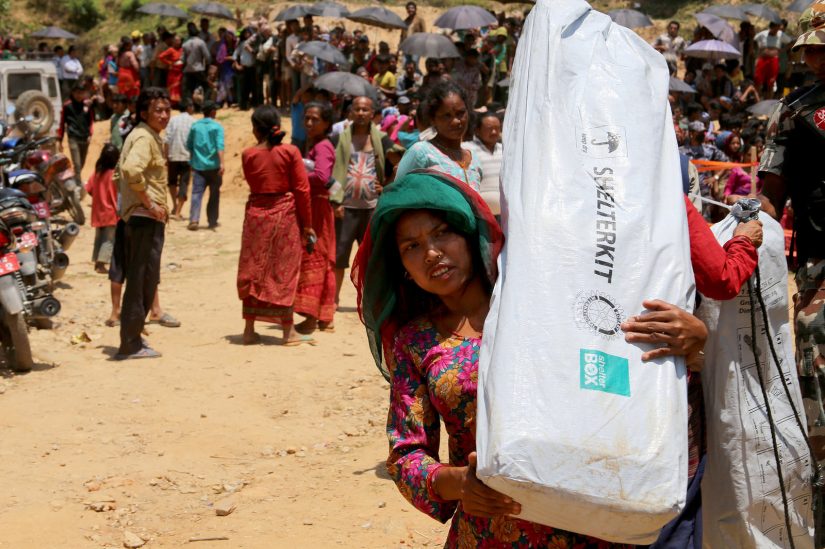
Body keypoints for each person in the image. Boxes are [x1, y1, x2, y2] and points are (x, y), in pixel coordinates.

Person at [351, 170, 708, 547]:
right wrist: (457, 484)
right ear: (403, 270)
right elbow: (406, 455)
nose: (432, 253)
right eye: (412, 246)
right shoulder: (417, 342)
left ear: (470, 233)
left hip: (592, 525)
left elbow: (631, 379)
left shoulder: (547, 301)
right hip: (490, 532)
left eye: (442, 233)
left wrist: (694, 346)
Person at [759, 5, 825, 541]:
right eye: (816, 47)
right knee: (820, 411)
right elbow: (768, 196)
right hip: (821, 278)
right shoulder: (795, 113)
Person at [237, 105, 315, 346]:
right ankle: (287, 331)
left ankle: (249, 329)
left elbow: (253, 183)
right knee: (284, 271)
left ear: (255, 129)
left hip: (256, 217)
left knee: (254, 269)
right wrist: (308, 225)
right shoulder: (290, 152)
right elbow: (302, 190)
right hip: (285, 216)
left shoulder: (248, 154)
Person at [115, 87, 171, 360]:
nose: (164, 115)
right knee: (141, 280)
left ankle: (133, 339)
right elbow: (129, 171)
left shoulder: (144, 136)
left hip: (139, 217)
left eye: (167, 110)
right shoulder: (144, 139)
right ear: (144, 113)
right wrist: (148, 203)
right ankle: (130, 343)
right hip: (144, 219)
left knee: (144, 279)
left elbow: (120, 174)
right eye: (158, 110)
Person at [332, 95, 402, 304]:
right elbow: (326, 166)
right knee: (339, 257)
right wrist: (335, 200)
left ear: (373, 114)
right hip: (345, 208)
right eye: (357, 109)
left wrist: (388, 184)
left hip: (372, 208)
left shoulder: (380, 139)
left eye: (365, 110)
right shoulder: (340, 138)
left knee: (372, 259)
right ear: (350, 112)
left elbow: (401, 161)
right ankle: (334, 300)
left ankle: (370, 300)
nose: (361, 113)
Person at [294, 102, 337, 335]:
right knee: (323, 259)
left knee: (314, 257)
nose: (309, 123)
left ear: (326, 123)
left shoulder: (322, 146)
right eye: (307, 118)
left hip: (318, 208)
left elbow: (321, 176)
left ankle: (310, 317)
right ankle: (324, 317)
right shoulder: (318, 144)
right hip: (319, 205)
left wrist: (298, 175)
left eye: (315, 119)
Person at [395, 81, 483, 190]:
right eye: (447, 116)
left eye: (461, 113)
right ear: (433, 119)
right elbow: (398, 195)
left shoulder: (474, 158)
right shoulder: (421, 152)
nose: (456, 121)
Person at [186, 101, 225, 231]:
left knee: (196, 193)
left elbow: (189, 145)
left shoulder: (195, 126)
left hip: (198, 166)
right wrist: (222, 163)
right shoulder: (217, 127)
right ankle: (212, 221)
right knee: (214, 195)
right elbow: (220, 146)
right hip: (214, 167)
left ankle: (194, 219)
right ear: (213, 112)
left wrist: (192, 159)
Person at [85, 144, 120, 274]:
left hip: (98, 211)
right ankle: (101, 264)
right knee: (109, 239)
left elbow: (89, 189)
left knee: (99, 237)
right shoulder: (115, 175)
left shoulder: (97, 173)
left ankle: (97, 261)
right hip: (110, 211)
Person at [465, 112, 503, 217]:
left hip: (505, 215)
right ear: (477, 130)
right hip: (480, 214)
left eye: (497, 128)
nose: (494, 132)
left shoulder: (505, 149)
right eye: (489, 128)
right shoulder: (467, 149)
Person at [165, 98, 196, 219]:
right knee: (184, 184)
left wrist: (166, 156)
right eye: (192, 106)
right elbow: (194, 142)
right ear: (188, 107)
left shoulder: (172, 120)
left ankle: (174, 205)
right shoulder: (193, 121)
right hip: (186, 157)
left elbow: (166, 140)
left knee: (172, 182)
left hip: (173, 156)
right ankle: (178, 211)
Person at [58, 82, 95, 180]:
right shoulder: (67, 106)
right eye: (77, 93)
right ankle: (78, 186)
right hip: (73, 137)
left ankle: (75, 179)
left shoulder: (87, 105)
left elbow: (91, 121)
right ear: (73, 93)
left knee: (82, 163)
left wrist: (90, 134)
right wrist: (60, 140)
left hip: (85, 137)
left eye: (81, 93)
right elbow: (62, 124)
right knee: (77, 164)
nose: (79, 95)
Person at [754, 21, 793, 97]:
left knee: (771, 83)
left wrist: (782, 50)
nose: (777, 31)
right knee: (758, 81)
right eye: (775, 29)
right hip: (762, 59)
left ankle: (769, 102)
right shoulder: (762, 34)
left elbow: (791, 42)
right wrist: (757, 54)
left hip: (774, 60)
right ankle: (758, 102)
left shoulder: (780, 34)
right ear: (771, 27)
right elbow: (754, 41)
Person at [182, 22, 211, 99]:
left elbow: (183, 59)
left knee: (189, 89)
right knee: (206, 87)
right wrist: (207, 68)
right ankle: (205, 104)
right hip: (199, 69)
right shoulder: (200, 42)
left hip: (188, 70)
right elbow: (207, 57)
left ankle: (190, 106)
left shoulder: (185, 44)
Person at [157, 34, 183, 105]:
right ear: (173, 42)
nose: (178, 42)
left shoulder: (181, 49)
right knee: (173, 87)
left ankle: (178, 102)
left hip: (180, 71)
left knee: (179, 87)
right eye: (176, 41)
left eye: (179, 41)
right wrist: (170, 63)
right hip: (173, 72)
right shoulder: (171, 49)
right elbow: (161, 56)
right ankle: (172, 103)